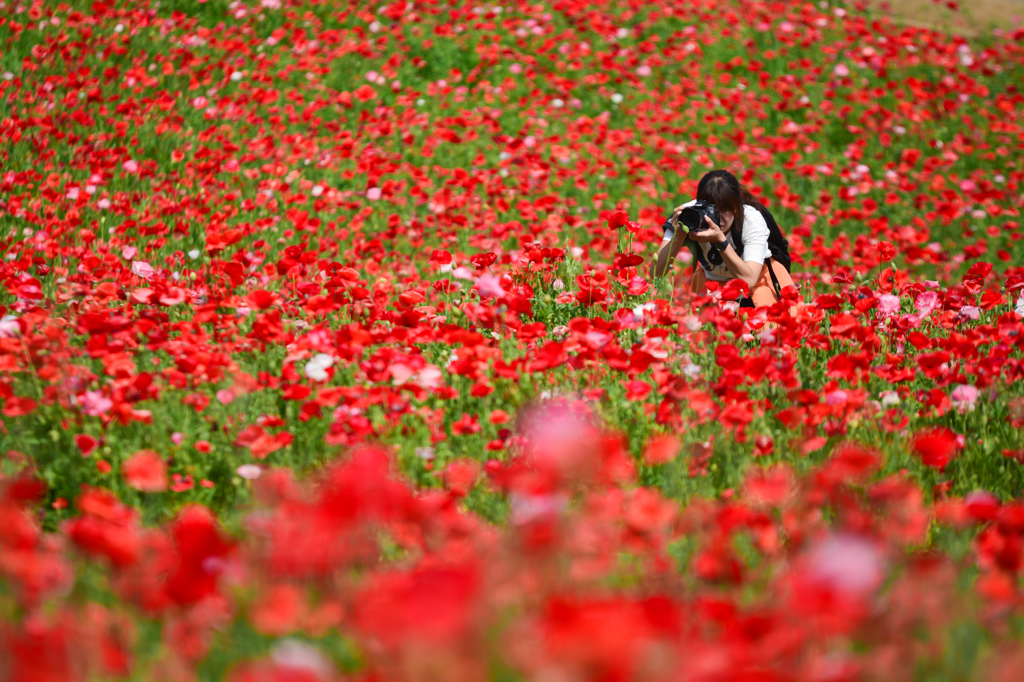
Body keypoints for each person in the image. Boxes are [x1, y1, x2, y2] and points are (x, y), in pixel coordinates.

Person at [650, 169, 795, 308]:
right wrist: (679, 236)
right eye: (712, 209)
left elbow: (749, 280)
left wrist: (720, 242)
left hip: (759, 281)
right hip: (714, 281)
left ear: (736, 208)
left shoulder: (751, 220)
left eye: (724, 209)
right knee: (705, 331)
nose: (717, 217)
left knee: (763, 328)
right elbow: (656, 274)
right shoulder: (687, 216)